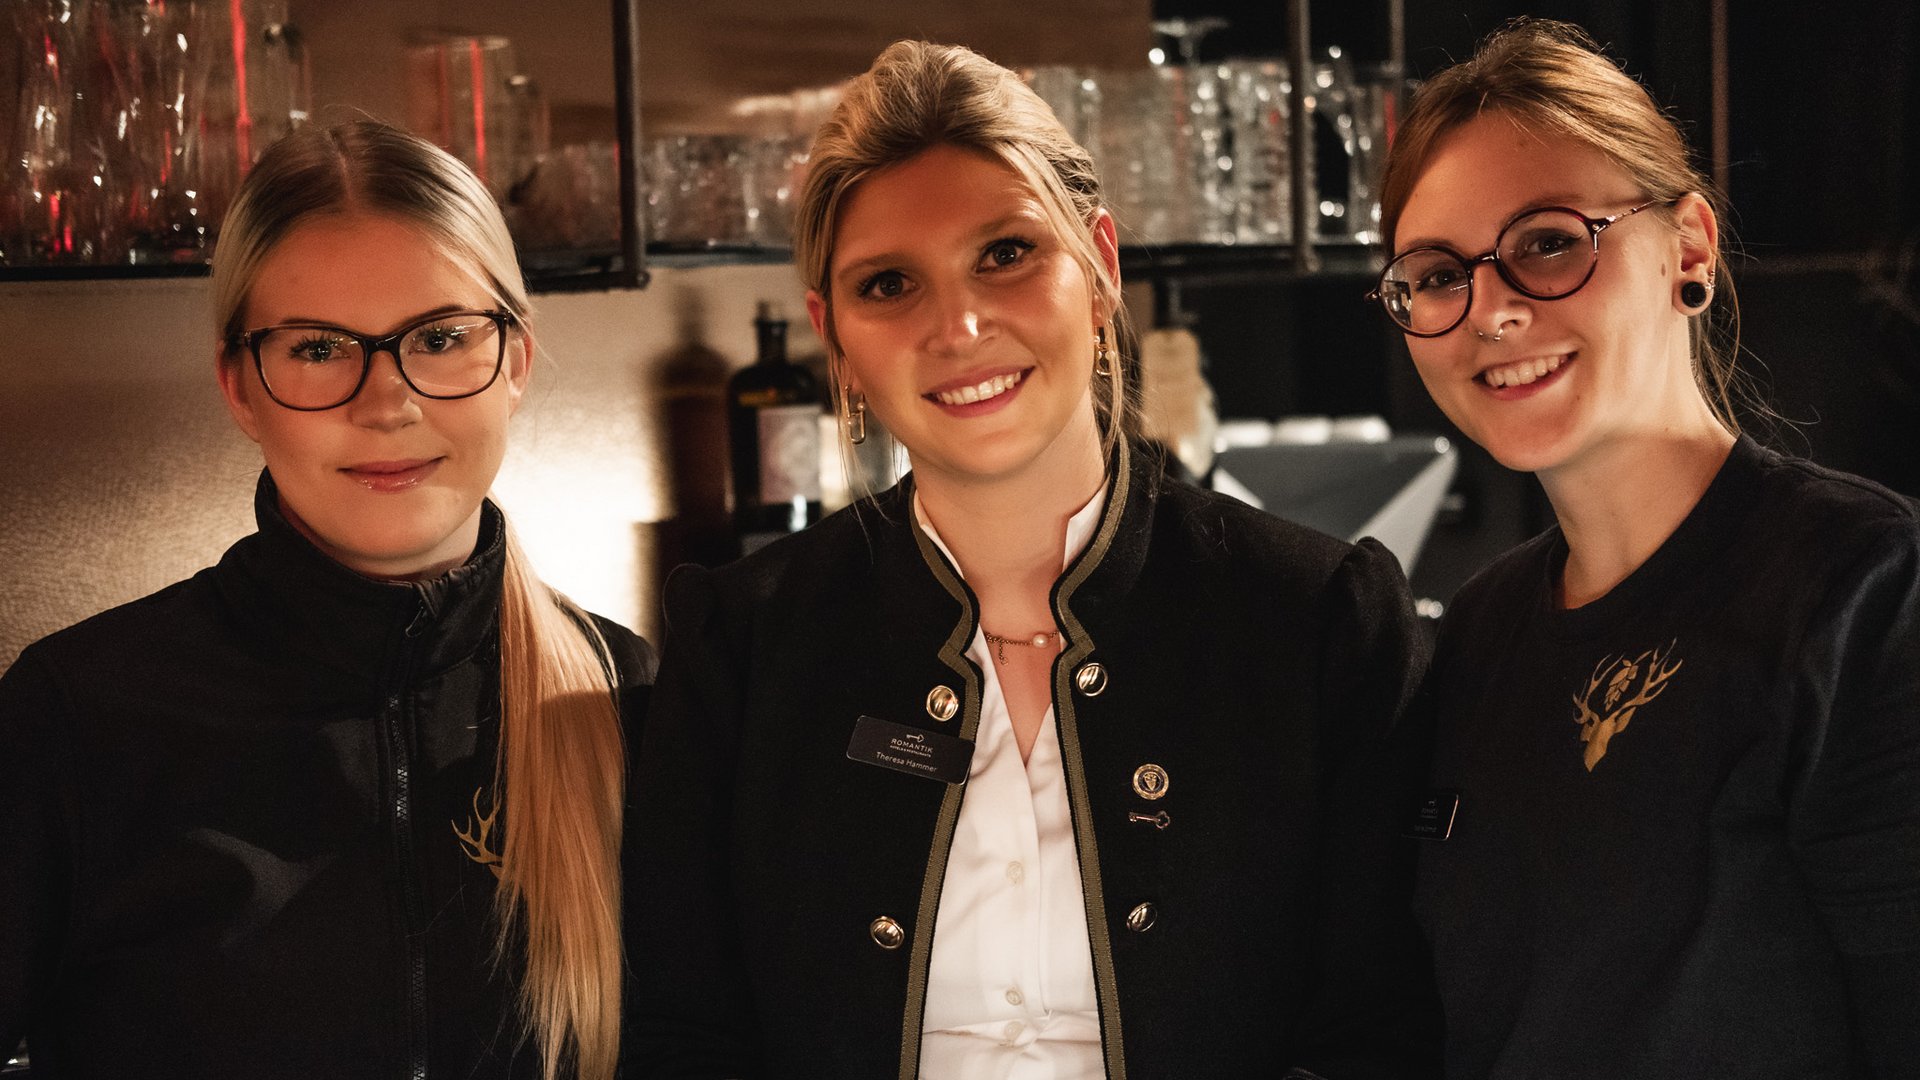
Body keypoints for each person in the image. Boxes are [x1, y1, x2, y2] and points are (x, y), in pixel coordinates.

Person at [628, 40, 1439, 1078]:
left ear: (1099, 265)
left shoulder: (1318, 614)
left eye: (1006, 254)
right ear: (836, 340)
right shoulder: (742, 638)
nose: (958, 325)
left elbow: (1378, 1032)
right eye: (889, 284)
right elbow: (682, 1036)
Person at [0, 121, 653, 1079]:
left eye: (439, 338)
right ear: (240, 387)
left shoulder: (631, 694)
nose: (386, 400)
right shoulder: (78, 714)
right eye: (316, 349)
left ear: (514, 362)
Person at [1372, 19, 1920, 1078]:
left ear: (1690, 249)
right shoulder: (1478, 634)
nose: (1490, 313)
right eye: (1438, 273)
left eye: (1547, 242)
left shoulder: (1868, 597)